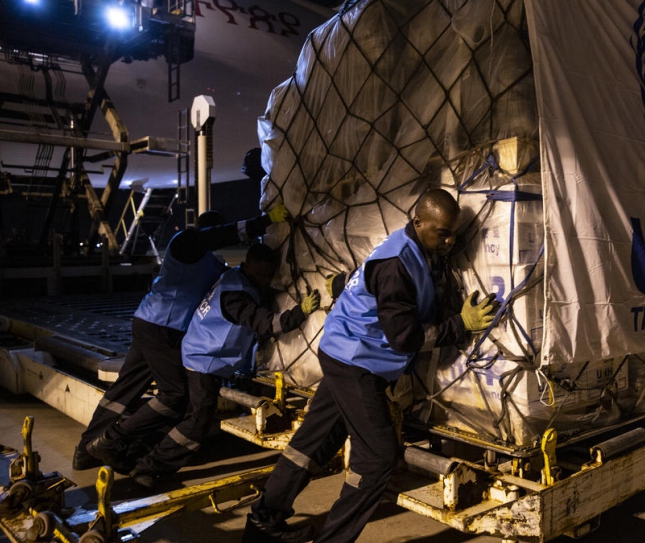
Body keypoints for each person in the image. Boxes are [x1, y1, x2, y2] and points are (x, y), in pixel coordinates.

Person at [242, 189, 499, 543]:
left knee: (312, 444)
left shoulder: (413, 250)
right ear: (418, 221)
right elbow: (404, 338)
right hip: (356, 362)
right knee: (378, 458)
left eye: (453, 232)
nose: (450, 239)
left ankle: (261, 524)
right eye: (442, 232)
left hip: (345, 352)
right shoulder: (398, 265)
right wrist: (461, 325)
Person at [75, 205, 290, 472]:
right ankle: (110, 443)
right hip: (163, 329)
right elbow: (218, 238)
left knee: (123, 391)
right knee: (175, 394)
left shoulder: (213, 264)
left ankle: (86, 451)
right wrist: (264, 222)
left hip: (150, 323)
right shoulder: (186, 243)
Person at [128, 243, 321, 489]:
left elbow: (262, 297)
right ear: (248, 265)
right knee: (199, 418)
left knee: (195, 414)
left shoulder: (236, 278)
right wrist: (299, 313)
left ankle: (149, 454)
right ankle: (150, 466)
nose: (264, 280)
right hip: (204, 359)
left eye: (267, 275)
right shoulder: (235, 295)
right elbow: (265, 324)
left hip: (203, 353)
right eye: (260, 274)